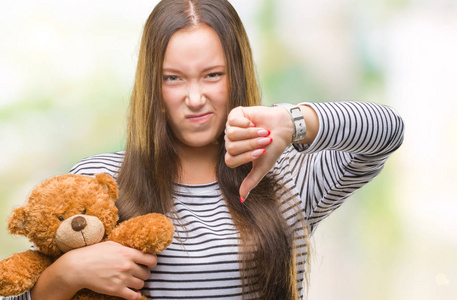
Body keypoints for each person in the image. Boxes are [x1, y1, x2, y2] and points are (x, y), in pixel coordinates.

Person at [6, 0, 404, 299]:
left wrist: (291, 120)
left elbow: (387, 130)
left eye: (212, 75)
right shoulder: (100, 180)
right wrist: (63, 277)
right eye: (174, 78)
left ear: (237, 75)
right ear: (153, 88)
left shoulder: (289, 178)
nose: (195, 98)